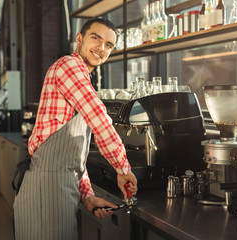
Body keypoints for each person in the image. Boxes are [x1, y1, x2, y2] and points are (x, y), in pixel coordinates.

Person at [13, 18, 138, 240]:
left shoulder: (81, 77)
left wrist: (88, 196)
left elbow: (71, 158)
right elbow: (99, 119)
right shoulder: (69, 66)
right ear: (79, 39)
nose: (101, 48)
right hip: (46, 190)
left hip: (57, 186)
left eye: (109, 45)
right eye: (96, 39)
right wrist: (123, 168)